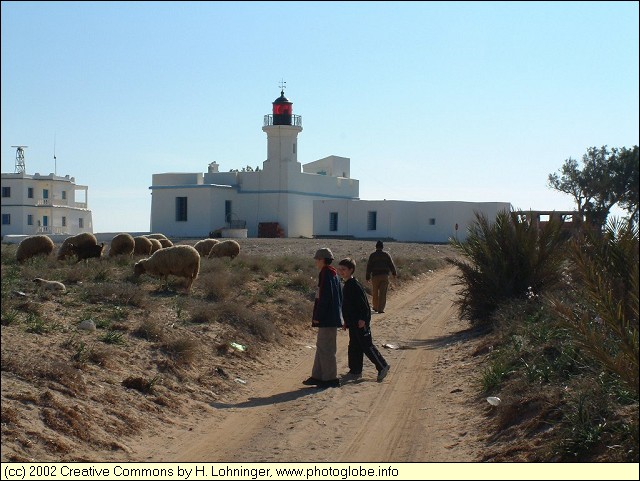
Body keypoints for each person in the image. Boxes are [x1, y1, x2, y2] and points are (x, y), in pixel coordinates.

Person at [338, 258, 390, 383]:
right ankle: (355, 371)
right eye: (339, 269)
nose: (341, 272)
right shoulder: (347, 284)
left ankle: (382, 366)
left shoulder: (355, 285)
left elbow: (364, 306)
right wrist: (346, 321)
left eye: (344, 269)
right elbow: (347, 306)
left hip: (360, 323)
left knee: (367, 346)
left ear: (351, 270)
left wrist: (363, 319)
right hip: (352, 323)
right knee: (354, 346)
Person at [302, 247, 343, 388]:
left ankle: (330, 378)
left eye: (317, 259)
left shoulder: (326, 274)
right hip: (330, 317)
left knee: (327, 349)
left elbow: (324, 297)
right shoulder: (332, 274)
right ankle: (317, 376)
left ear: (322, 260)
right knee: (321, 347)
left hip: (327, 318)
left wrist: (318, 316)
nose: (316, 262)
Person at [365, 240, 397, 314]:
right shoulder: (386, 255)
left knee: (375, 292)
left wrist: (367, 277)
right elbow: (391, 264)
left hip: (375, 276)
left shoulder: (372, 255)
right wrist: (394, 273)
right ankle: (381, 309)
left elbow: (369, 266)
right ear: (382, 247)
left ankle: (375, 307)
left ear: (376, 247)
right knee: (383, 293)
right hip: (384, 276)